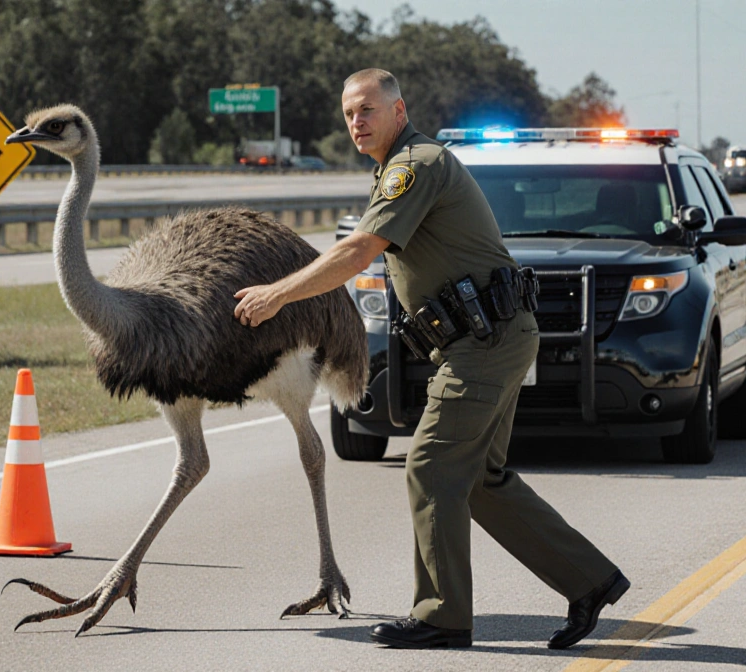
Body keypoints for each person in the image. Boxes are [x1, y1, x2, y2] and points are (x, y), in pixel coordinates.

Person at [234, 68, 629, 650]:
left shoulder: (414, 165)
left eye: (367, 109)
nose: (357, 122)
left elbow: (360, 249)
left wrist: (278, 295)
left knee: (431, 467)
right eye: (348, 114)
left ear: (399, 109)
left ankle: (442, 616)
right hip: (491, 338)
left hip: (483, 345)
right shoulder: (398, 168)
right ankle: (590, 581)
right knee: (481, 480)